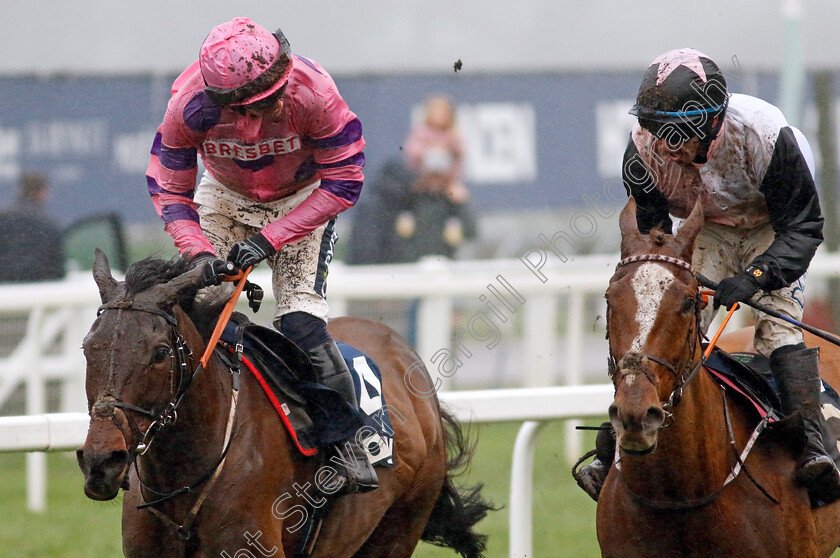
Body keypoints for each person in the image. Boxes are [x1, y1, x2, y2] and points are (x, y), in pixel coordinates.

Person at [577, 48, 840, 504]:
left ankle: (816, 450)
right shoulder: (641, 151)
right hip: (706, 231)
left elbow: (803, 227)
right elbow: (653, 231)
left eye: (674, 134)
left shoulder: (765, 136)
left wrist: (757, 276)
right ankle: (612, 448)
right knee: (661, 329)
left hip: (772, 228)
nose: (661, 145)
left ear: (711, 121)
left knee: (776, 333)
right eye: (655, 128)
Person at [145, 17, 376, 495]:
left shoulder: (314, 93)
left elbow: (345, 179)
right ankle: (177, 436)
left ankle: (346, 442)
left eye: (273, 98)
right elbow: (170, 189)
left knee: (300, 322)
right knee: (205, 312)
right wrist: (197, 254)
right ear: (221, 102)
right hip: (223, 199)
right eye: (249, 108)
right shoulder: (187, 107)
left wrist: (270, 239)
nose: (257, 124)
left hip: (303, 201)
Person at [400, 94, 476, 261]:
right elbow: (398, 235)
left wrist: (458, 199)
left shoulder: (454, 198)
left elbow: (471, 232)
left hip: (448, 261)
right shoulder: (411, 196)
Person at [0, 172, 66, 283]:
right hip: (39, 288)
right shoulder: (49, 224)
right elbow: (58, 267)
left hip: (5, 287)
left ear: (20, 191)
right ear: (42, 193)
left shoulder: (3, 219)